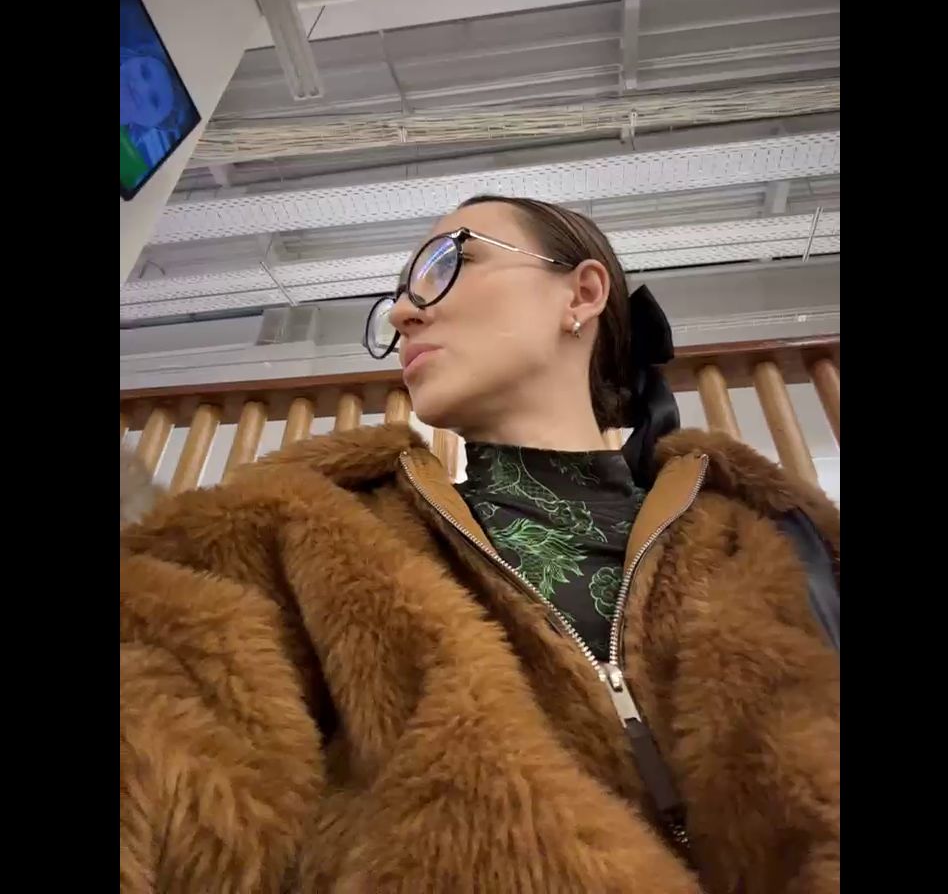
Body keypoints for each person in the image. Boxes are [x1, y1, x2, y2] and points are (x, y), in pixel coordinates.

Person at [120, 196, 840, 894]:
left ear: (582, 294)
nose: (401, 314)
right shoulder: (305, 530)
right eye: (399, 298)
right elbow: (162, 716)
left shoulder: (772, 536)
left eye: (445, 265)